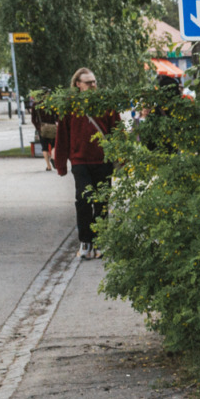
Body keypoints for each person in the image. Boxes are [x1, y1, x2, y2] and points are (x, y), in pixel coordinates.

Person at [49, 68, 120, 259]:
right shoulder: (69, 106)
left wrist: (121, 158)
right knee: (83, 199)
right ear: (78, 84)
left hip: (103, 160)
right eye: (88, 82)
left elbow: (116, 131)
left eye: (94, 81)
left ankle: (100, 241)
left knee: (102, 201)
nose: (93, 85)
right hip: (80, 161)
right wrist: (61, 164)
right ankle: (86, 242)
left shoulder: (106, 104)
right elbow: (62, 137)